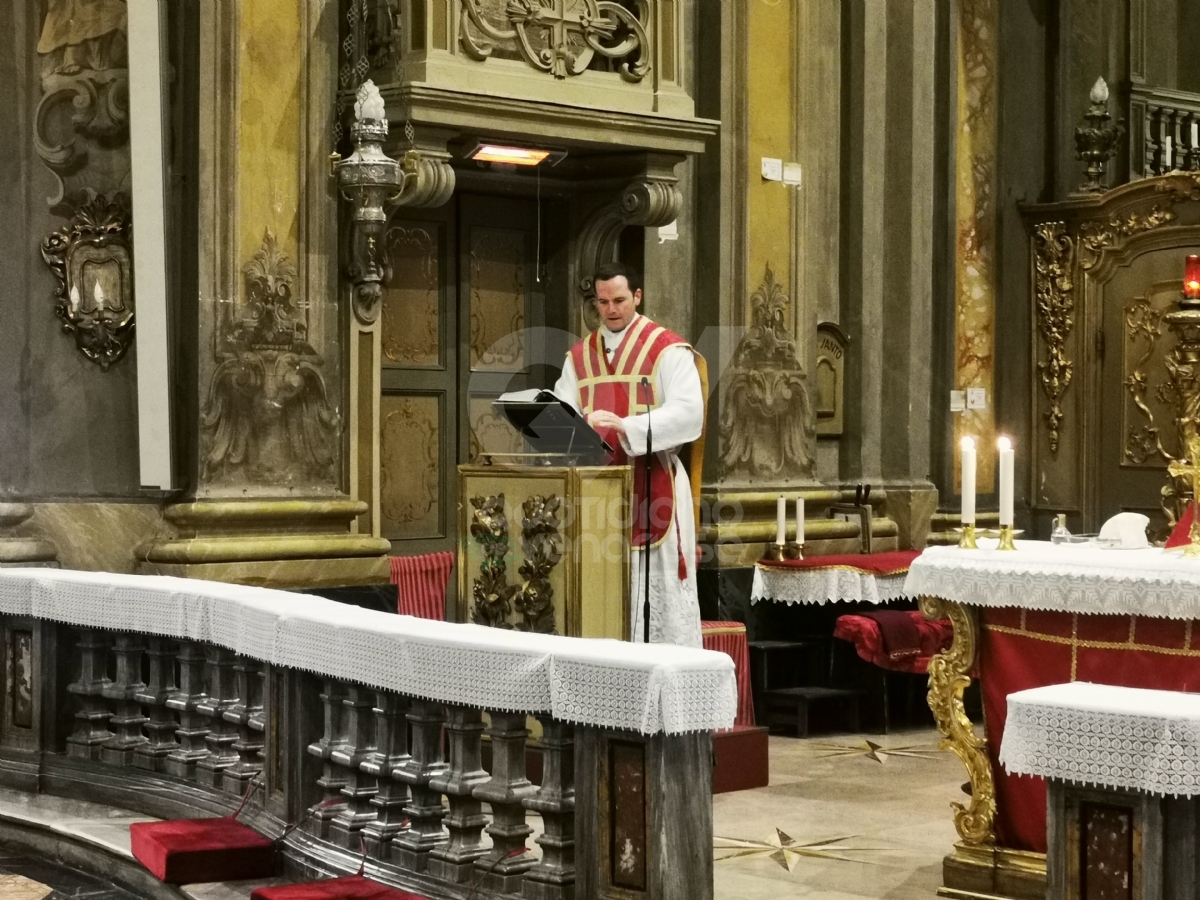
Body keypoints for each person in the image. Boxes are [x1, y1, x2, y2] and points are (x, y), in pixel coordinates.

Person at [553, 263, 704, 647]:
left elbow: (690, 412)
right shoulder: (579, 357)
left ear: (637, 296)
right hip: (597, 490)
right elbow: (561, 410)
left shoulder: (666, 348)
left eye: (619, 300)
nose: (611, 309)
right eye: (602, 302)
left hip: (652, 483)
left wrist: (629, 426)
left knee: (658, 597)